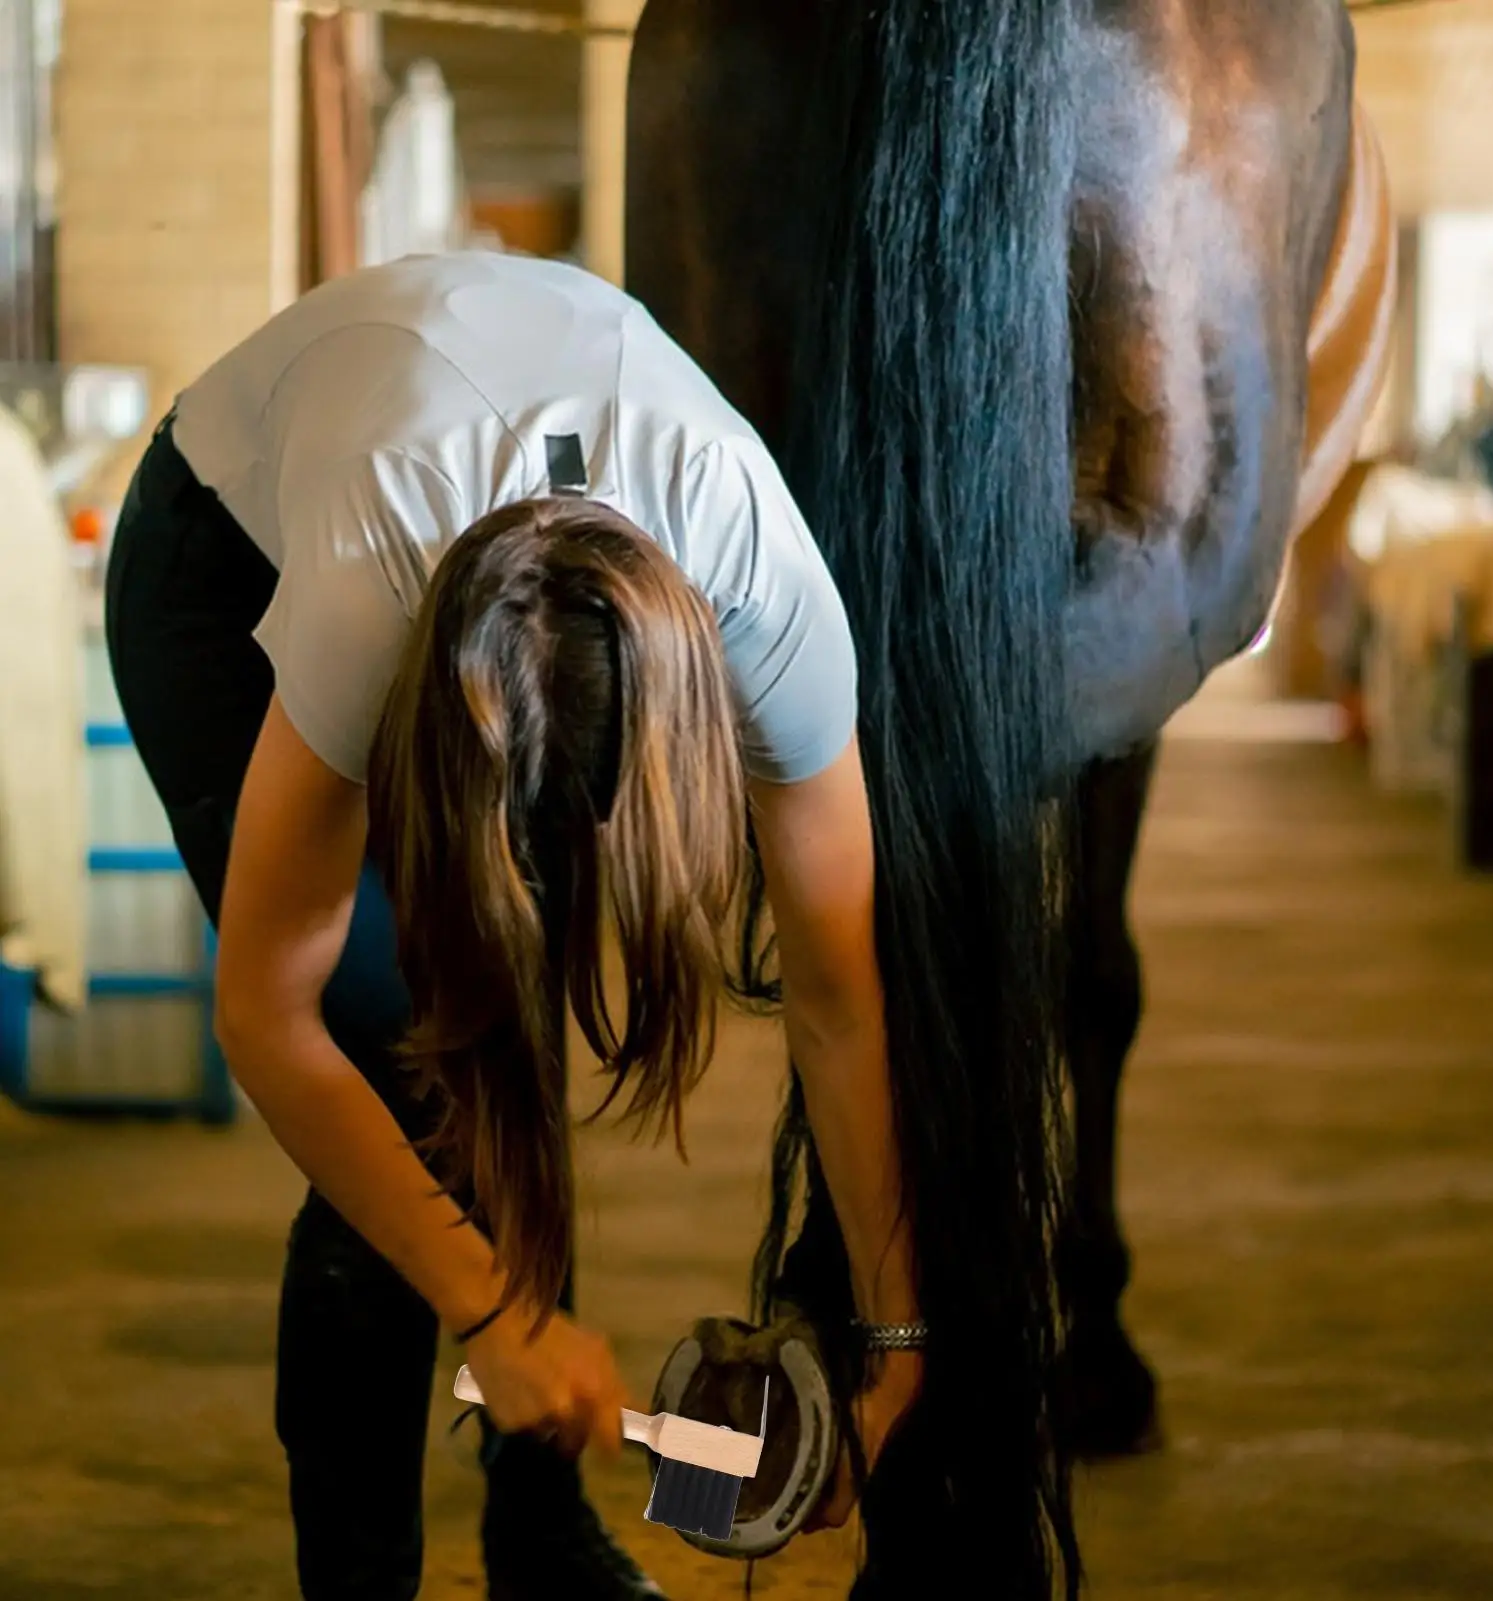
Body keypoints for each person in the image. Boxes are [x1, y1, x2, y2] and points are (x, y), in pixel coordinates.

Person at [104, 250, 924, 1601]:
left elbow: (841, 1005)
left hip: (481, 491)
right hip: (221, 547)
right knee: (398, 1078)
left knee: (508, 1051)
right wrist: (494, 1309)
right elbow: (266, 1015)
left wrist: (899, 1332)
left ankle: (538, 1537)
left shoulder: (770, 599)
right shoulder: (366, 592)